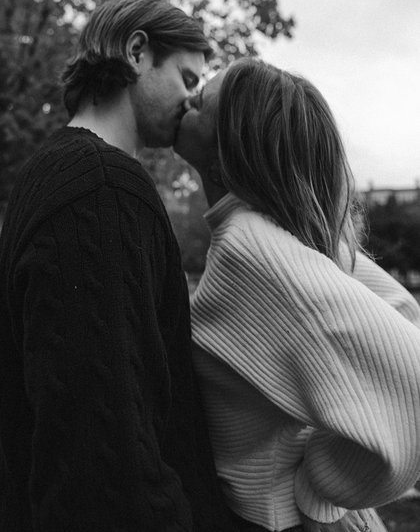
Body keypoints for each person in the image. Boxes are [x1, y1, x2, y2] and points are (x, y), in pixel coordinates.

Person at [0, 0, 240, 532]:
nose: (192, 102)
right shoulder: (101, 188)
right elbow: (102, 466)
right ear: (138, 52)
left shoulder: (53, 172)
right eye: (188, 79)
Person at [174, 57, 420, 532]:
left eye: (202, 98)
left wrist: (321, 492)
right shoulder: (273, 234)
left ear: (232, 145)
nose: (188, 99)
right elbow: (402, 310)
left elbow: (412, 385)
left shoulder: (250, 245)